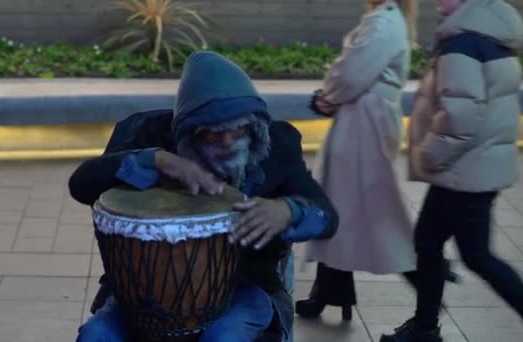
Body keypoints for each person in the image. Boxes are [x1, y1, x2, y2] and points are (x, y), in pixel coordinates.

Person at [68, 50, 339, 341]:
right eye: (212, 133)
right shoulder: (150, 135)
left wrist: (288, 211)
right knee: (97, 336)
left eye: (238, 130)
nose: (226, 141)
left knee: (222, 336)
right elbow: (81, 185)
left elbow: (328, 217)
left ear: (254, 126)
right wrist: (157, 161)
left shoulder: (278, 148)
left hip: (247, 286)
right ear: (189, 131)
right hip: (143, 293)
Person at [380, 0, 523, 341]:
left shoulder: (463, 43)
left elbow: (461, 114)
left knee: (475, 255)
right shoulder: (489, 35)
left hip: (463, 168)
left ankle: (426, 327)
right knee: (427, 244)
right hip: (469, 166)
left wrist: (430, 154)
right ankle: (425, 327)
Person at [297, 0, 423, 321]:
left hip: (363, 126)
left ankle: (426, 280)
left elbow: (350, 73)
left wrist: (329, 95)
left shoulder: (383, 22)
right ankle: (330, 291)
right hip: (366, 122)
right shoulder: (389, 19)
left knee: (368, 211)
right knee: (346, 207)